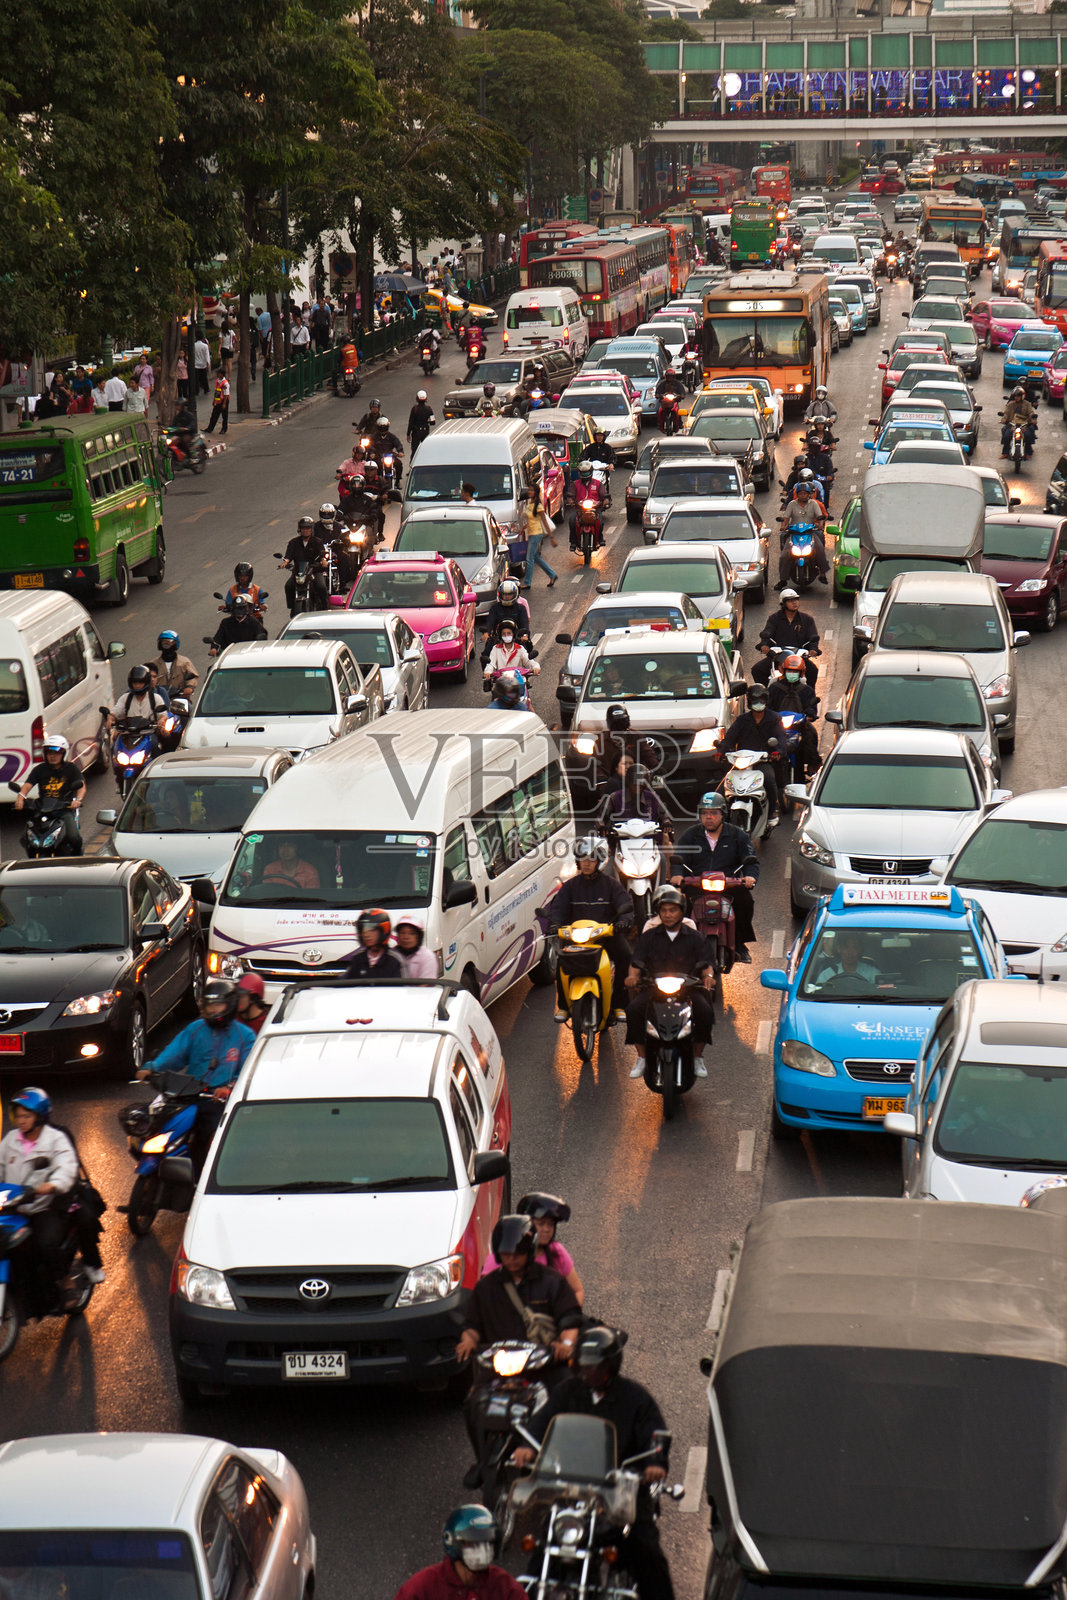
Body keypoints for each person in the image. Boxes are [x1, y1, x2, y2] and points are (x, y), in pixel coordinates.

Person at [513, 1325, 675, 1600]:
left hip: (621, 1491)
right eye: (584, 1365)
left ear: (611, 1365)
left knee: (645, 1550)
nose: (588, 1372)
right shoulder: (568, 1391)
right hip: (571, 1487)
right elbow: (544, 1418)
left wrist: (655, 1462)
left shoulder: (635, 1398)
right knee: (546, 1544)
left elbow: (654, 1431)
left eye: (595, 1366)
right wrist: (527, 1446)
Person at [457, 1213, 582, 1485]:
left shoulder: (552, 1281)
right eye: (506, 1254)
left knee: (569, 1394)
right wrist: (468, 1340)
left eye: (517, 1254)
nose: (512, 1259)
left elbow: (571, 1319)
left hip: (545, 1363)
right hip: (500, 1364)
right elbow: (473, 1324)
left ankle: (568, 1459)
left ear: (529, 1250)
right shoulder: (486, 1288)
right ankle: (482, 1460)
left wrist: (565, 1345)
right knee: (472, 1403)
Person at [137, 979, 254, 1171]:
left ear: (230, 1005)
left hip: (220, 1101)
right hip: (189, 1094)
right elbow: (174, 1053)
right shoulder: (195, 1029)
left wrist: (229, 1088)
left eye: (218, 1005)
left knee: (215, 1142)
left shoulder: (245, 1035)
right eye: (210, 1005)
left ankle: (207, 1174)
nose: (213, 1009)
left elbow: (247, 1072)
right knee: (152, 1126)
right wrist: (152, 1068)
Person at [0, 1088, 88, 1308]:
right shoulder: (10, 1140)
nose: (21, 1121)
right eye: (18, 1116)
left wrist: (52, 1185)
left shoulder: (55, 1139)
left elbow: (67, 1167)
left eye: (26, 1116)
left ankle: (66, 1281)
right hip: (13, 1205)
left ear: (39, 1117)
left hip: (43, 1207)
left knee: (46, 1244)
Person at [624, 884, 714, 1078]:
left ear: (681, 912)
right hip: (654, 988)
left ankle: (698, 1056)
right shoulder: (649, 937)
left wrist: (708, 978)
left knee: (705, 1012)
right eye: (664, 911)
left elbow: (707, 964)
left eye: (672, 910)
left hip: (688, 988)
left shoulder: (696, 937)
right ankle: (642, 1057)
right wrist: (632, 977)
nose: (668, 915)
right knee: (633, 1010)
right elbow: (636, 962)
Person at [547, 836, 635, 1023]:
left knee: (625, 956)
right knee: (561, 962)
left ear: (600, 861)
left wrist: (624, 922)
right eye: (583, 859)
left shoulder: (612, 885)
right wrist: (554, 923)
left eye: (591, 859)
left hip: (606, 936)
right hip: (576, 938)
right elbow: (558, 908)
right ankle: (563, 1006)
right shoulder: (569, 887)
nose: (586, 863)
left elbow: (625, 906)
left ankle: (619, 1005)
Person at [671, 792, 759, 960]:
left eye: (713, 813)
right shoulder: (691, 835)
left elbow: (751, 860)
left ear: (723, 814)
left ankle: (739, 943)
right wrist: (677, 875)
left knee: (746, 901)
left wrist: (750, 877)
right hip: (697, 884)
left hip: (729, 885)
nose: (708, 817)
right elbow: (678, 858)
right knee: (681, 906)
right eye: (704, 813)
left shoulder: (736, 834)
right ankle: (684, 945)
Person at [392, 1505, 526, 1600]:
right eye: (472, 1543)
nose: (483, 1551)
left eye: (488, 1543)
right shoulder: (423, 1587)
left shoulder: (505, 1587)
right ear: (453, 1542)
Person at [482, 1192, 584, 1305]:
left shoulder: (556, 1251)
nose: (546, 1229)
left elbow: (577, 1291)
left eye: (550, 1224)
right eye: (541, 1224)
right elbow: (484, 1299)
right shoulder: (504, 1255)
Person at [715, 684, 787, 824]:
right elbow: (729, 739)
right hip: (742, 762)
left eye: (761, 700)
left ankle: (772, 811)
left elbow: (781, 738)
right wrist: (720, 752)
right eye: (755, 700)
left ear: (766, 701)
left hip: (763, 762)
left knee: (769, 780)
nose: (758, 703)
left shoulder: (774, 719)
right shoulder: (742, 720)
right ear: (749, 702)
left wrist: (777, 752)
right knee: (721, 790)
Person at [12, 733, 86, 855]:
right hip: (43, 809)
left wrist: (77, 800)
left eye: (56, 753)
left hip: (64, 810)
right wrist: (20, 798)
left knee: (74, 837)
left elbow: (81, 786)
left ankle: (78, 857)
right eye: (49, 753)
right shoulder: (39, 769)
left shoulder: (71, 768)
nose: (53, 756)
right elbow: (27, 785)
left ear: (63, 754)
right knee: (26, 838)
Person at [766, 655, 821, 780]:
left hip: (799, 725)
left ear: (801, 673)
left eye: (795, 671)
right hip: (776, 725)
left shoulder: (807, 690)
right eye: (789, 671)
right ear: (784, 671)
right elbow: (768, 706)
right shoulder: (774, 688)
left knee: (811, 734)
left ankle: (813, 765)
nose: (792, 673)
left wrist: (809, 716)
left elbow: (812, 708)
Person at [753, 589, 821, 688]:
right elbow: (767, 633)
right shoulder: (774, 618)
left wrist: (813, 650)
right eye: (790, 600)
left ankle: (810, 696)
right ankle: (765, 694)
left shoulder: (807, 619)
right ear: (783, 604)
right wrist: (764, 645)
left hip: (800, 658)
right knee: (757, 669)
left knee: (813, 670)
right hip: (778, 658)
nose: (794, 603)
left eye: (796, 600)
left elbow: (813, 637)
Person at [778, 484, 828, 587]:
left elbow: (820, 517)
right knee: (784, 555)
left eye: (805, 494)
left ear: (809, 494)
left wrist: (820, 524)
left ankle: (822, 574)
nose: (803, 496)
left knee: (820, 549)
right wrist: (783, 526)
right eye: (801, 494)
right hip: (794, 534)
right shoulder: (792, 504)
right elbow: (786, 518)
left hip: (810, 533)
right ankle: (783, 580)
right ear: (797, 494)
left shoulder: (813, 503)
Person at [601, 760, 669, 831]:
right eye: (634, 784)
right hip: (622, 835)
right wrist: (602, 826)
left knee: (666, 837)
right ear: (628, 782)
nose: (637, 787)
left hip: (649, 835)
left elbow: (664, 814)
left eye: (640, 784)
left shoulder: (652, 797)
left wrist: (666, 822)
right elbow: (601, 817)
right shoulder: (615, 797)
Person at [281, 517, 329, 612]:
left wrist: (323, 560)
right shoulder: (293, 542)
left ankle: (325, 608)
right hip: (299, 572)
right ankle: (292, 606)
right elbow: (288, 555)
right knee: (288, 586)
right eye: (303, 528)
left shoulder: (317, 541)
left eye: (308, 528)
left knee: (321, 586)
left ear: (311, 529)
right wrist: (285, 562)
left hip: (314, 571)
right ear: (299, 529)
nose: (305, 530)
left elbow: (322, 554)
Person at [108, 664, 169, 738]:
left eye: (140, 683)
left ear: (146, 682)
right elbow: (116, 711)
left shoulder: (156, 698)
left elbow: (163, 715)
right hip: (128, 736)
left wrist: (162, 720)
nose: (137, 686)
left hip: (149, 735)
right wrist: (110, 718)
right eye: (135, 683)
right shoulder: (125, 698)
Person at [480, 579, 533, 664]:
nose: (507, 597)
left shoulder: (521, 608)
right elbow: (490, 622)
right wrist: (487, 633)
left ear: (515, 594)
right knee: (486, 654)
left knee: (528, 654)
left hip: (517, 638)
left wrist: (525, 635)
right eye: (505, 594)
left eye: (510, 594)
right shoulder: (495, 608)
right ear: (501, 595)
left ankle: (527, 671)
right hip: (498, 638)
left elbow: (525, 624)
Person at [343, 908, 405, 980]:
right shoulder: (358, 958)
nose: (366, 935)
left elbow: (403, 985)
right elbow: (344, 982)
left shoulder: (395, 959)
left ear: (384, 930)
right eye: (363, 930)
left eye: (372, 930)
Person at [484, 620, 540, 695]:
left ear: (513, 634)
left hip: (518, 684)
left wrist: (535, 667)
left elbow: (528, 661)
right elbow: (491, 664)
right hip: (501, 684)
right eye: (504, 634)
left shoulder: (520, 648)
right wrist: (488, 672)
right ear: (501, 635)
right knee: (494, 701)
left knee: (526, 701)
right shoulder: (496, 649)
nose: (506, 635)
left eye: (509, 633)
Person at [522, 481, 558, 590]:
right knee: (536, 557)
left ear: (536, 492)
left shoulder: (539, 506)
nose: (529, 492)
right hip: (531, 533)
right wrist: (523, 528)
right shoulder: (530, 503)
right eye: (529, 490)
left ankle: (527, 582)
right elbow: (531, 520)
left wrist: (551, 537)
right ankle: (552, 575)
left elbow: (544, 522)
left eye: (532, 490)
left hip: (536, 534)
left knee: (529, 558)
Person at [813, 929, 880, 987]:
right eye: (846, 947)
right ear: (839, 949)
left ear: (860, 950)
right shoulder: (827, 975)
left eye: (855, 947)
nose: (850, 952)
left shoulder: (871, 973)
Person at [569, 461, 606, 551]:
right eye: (583, 473)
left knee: (600, 522)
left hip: (595, 508)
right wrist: (571, 501)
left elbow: (604, 494)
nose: (585, 475)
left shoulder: (598, 484)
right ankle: (573, 542)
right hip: (579, 508)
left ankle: (600, 538)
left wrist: (605, 501)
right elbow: (570, 495)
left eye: (586, 472)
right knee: (572, 520)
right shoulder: (575, 484)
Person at [151, 630, 199, 698]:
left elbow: (193, 676)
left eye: (169, 642)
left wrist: (189, 687)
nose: (166, 645)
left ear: (176, 644)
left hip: (180, 697)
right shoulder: (153, 664)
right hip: (159, 698)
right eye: (164, 642)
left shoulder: (185, 662)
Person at [394, 916, 438, 980]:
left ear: (419, 936)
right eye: (402, 933)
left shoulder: (427, 956)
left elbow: (427, 984)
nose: (406, 937)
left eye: (412, 933)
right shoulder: (391, 955)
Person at [1001, 385, 1037, 458]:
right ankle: (1005, 452)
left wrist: (1033, 419)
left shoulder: (1027, 404)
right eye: (1015, 396)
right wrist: (1004, 419)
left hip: (1024, 425)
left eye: (1018, 396)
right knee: (1006, 435)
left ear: (1022, 396)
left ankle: (1028, 452)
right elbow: (1006, 413)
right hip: (1012, 424)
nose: (1016, 397)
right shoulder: (1010, 404)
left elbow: (1031, 413)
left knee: (1028, 435)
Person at [407, 390, 435, 455]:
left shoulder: (414, 409)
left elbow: (411, 422)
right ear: (426, 399)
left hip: (416, 433)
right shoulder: (429, 409)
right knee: (426, 451)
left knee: (414, 452)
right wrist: (426, 422)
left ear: (417, 398)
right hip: (425, 432)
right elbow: (433, 422)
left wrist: (408, 434)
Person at [205, 364, 230, 434]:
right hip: (218, 400)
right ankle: (210, 428)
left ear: (222, 374)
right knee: (214, 415)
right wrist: (214, 400)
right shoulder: (218, 381)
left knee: (224, 416)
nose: (217, 374)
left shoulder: (225, 383)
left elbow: (226, 394)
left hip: (223, 401)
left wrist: (224, 404)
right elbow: (217, 391)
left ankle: (224, 429)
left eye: (218, 373)